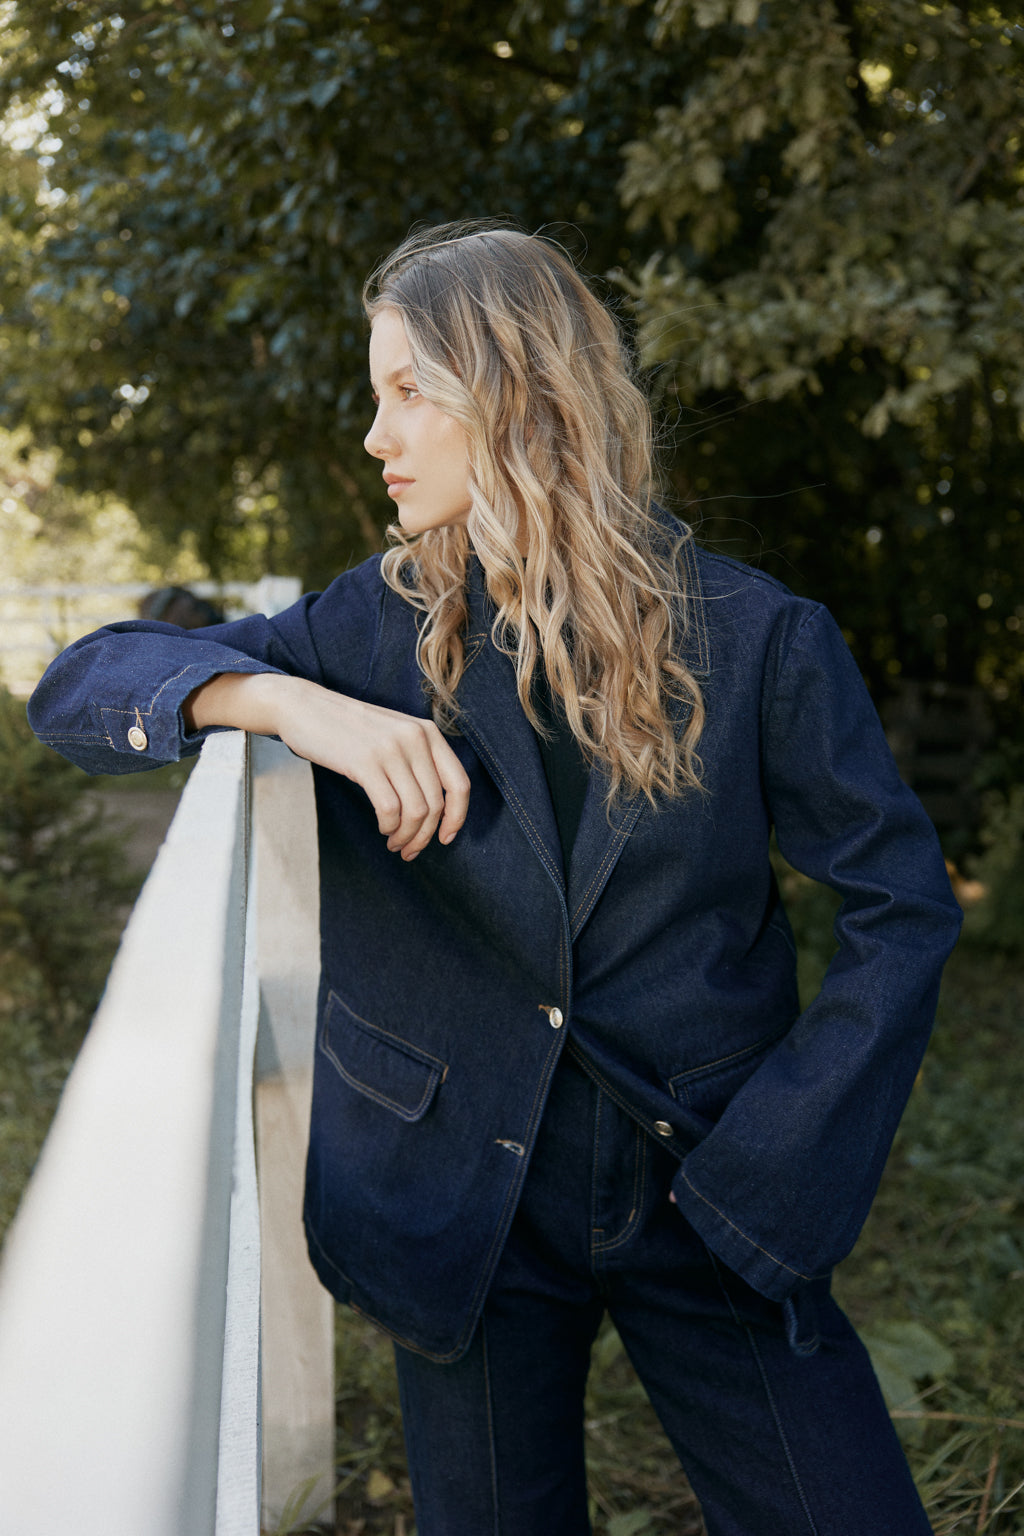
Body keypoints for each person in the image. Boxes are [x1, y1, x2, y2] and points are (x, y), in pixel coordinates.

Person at [29, 221, 961, 1536]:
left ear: (518, 393)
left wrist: (780, 1163)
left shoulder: (760, 643)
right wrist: (293, 705)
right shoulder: (368, 626)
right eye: (376, 396)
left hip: (709, 1191)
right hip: (460, 1202)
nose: (376, 435)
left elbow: (902, 911)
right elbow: (76, 690)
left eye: (409, 391)